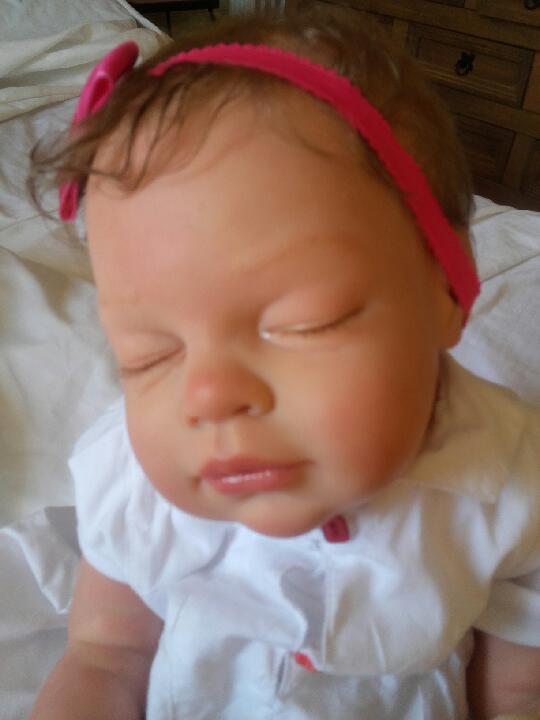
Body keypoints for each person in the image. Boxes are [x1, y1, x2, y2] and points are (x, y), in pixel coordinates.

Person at [29, 8, 540, 719]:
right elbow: (104, 653)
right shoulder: (132, 481)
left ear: (449, 290)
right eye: (149, 356)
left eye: (305, 323)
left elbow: (516, 686)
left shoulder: (513, 485)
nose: (208, 395)